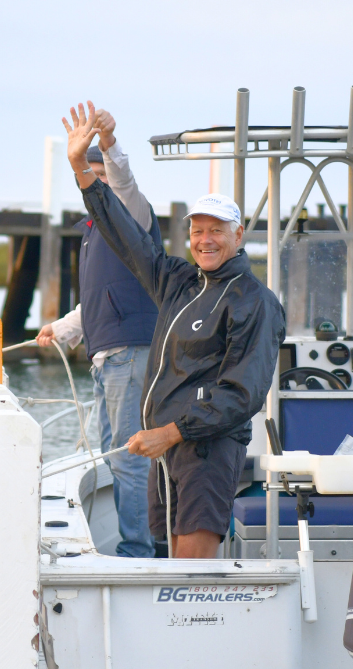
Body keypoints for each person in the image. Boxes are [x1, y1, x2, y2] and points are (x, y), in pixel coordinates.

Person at [62, 101, 285, 559]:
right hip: (168, 456)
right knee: (171, 567)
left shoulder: (254, 301)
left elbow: (242, 395)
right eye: (198, 230)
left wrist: (171, 432)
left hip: (206, 453)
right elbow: (126, 235)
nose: (205, 240)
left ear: (238, 235)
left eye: (217, 231)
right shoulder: (180, 283)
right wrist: (81, 169)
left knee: (191, 576)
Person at [35, 111, 160, 559]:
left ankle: (137, 553)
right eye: (90, 176)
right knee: (116, 456)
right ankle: (139, 544)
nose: (96, 183)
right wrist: (63, 329)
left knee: (127, 458)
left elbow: (123, 183)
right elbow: (96, 302)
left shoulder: (132, 214)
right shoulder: (92, 233)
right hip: (108, 357)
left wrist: (108, 144)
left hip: (128, 354)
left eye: (100, 174)